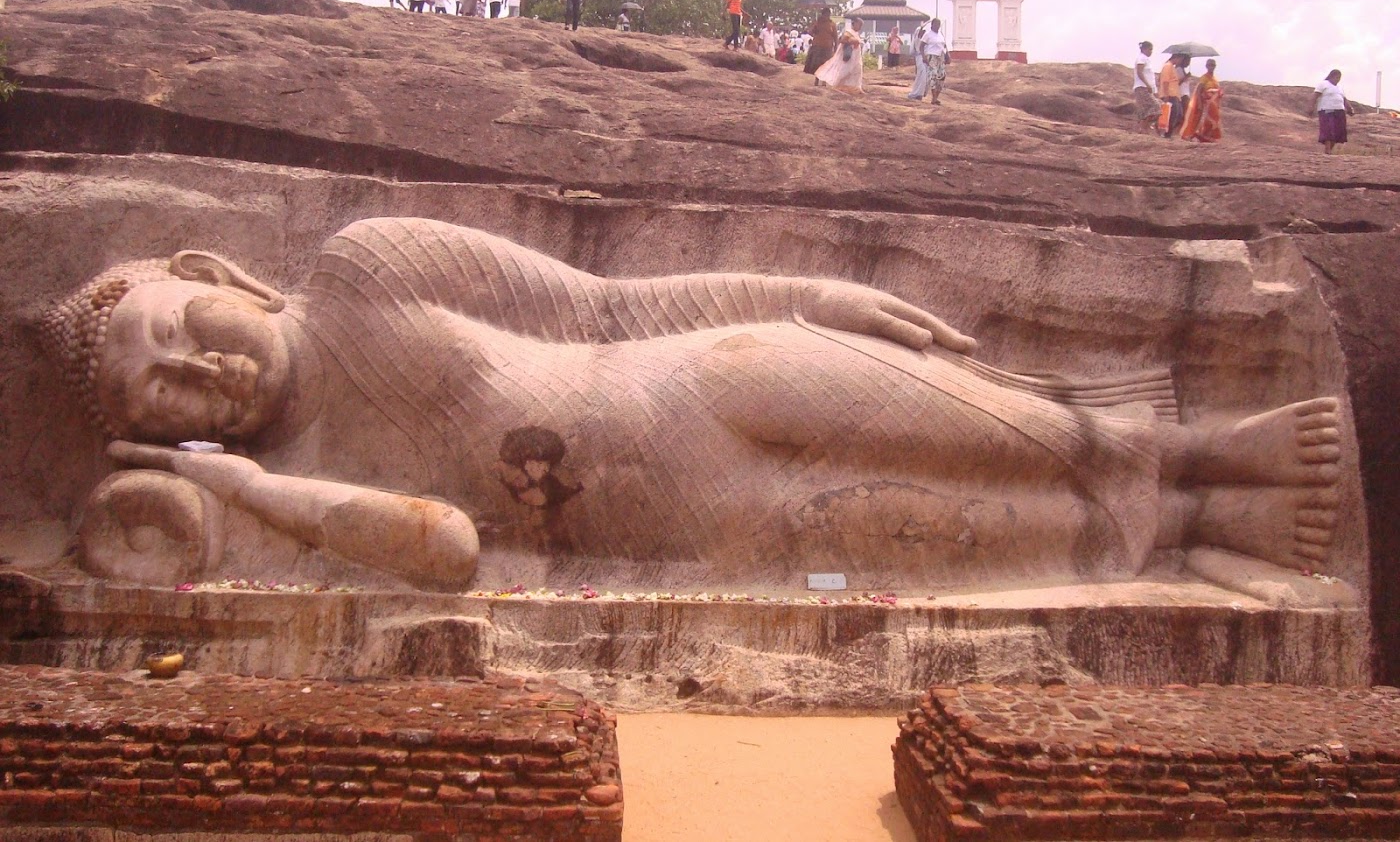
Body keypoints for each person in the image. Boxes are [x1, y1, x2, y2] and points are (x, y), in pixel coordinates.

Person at [41, 220, 1345, 594]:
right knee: (984, 529)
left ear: (218, 272)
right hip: (698, 521)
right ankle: (1191, 524)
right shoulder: (305, 474)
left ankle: (1197, 448)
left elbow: (605, 304)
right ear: (167, 433)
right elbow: (446, 551)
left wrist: (805, 294)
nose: (201, 369)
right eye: (166, 388)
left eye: (186, 328)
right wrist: (247, 487)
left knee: (1015, 432)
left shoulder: (368, 268)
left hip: (703, 374)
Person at [815, 16, 866, 94]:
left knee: (857, 70)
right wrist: (851, 41)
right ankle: (841, 86)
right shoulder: (849, 32)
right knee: (845, 71)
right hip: (850, 55)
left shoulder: (856, 33)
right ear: (855, 23)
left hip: (856, 56)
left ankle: (856, 87)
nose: (860, 27)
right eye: (859, 25)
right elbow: (842, 40)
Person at [1180, 58, 1224, 143]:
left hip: (1214, 103)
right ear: (1206, 66)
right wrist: (1199, 103)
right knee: (1207, 119)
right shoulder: (1204, 78)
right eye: (1209, 65)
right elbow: (1199, 90)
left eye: (1213, 65)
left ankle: (1210, 137)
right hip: (1207, 103)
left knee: (1215, 119)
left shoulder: (1215, 79)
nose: (1211, 67)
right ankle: (1200, 135)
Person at [1312, 69, 1355, 155]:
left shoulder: (1339, 88)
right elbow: (1315, 96)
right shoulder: (1323, 84)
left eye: (1339, 78)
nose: (1338, 79)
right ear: (1331, 76)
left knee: (1338, 131)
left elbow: (1344, 99)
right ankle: (1327, 149)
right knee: (1328, 130)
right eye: (1336, 77)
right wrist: (1311, 107)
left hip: (1339, 111)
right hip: (1326, 110)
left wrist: (1350, 109)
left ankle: (1330, 150)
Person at [909, 18, 948, 104]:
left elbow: (944, 45)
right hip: (925, 56)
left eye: (939, 24)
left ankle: (924, 94)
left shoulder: (939, 34)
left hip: (937, 57)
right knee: (927, 75)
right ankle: (917, 94)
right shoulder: (925, 33)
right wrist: (923, 57)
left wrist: (947, 55)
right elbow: (920, 46)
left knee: (938, 76)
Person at [803, 7, 838, 77]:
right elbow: (810, 32)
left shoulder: (832, 24)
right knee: (816, 65)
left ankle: (824, 80)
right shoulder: (818, 23)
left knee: (826, 65)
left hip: (827, 48)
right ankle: (817, 79)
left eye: (828, 15)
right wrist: (815, 28)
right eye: (825, 15)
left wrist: (835, 48)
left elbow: (835, 37)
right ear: (822, 14)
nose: (826, 16)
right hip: (817, 47)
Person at [1132, 41, 1159, 133]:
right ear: (1144, 49)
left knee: (1147, 108)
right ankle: (1143, 127)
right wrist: (1147, 85)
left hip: (1145, 87)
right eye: (1150, 49)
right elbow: (1140, 72)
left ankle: (1143, 128)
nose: (1151, 52)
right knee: (1155, 106)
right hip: (1142, 86)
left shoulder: (1146, 59)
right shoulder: (1141, 58)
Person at [1158, 54, 1185, 138]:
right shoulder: (1168, 66)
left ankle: (1168, 133)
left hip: (1175, 94)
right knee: (1172, 115)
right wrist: (1166, 94)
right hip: (1170, 94)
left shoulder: (1172, 67)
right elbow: (1165, 81)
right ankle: (1166, 133)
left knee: (1178, 114)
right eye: (1181, 59)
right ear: (1176, 58)